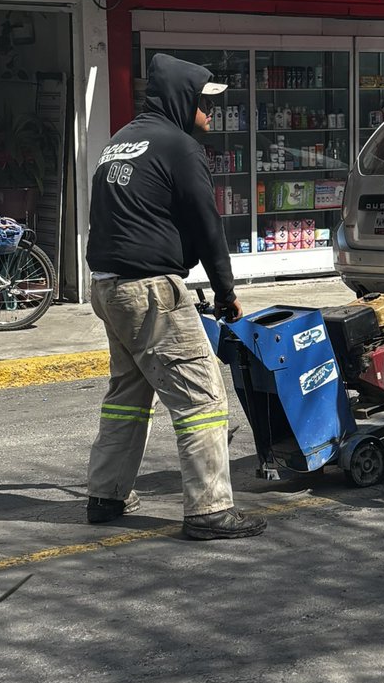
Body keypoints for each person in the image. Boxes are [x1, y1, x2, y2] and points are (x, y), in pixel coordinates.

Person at [85, 53, 266, 540]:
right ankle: (209, 511)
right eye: (204, 103)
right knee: (202, 396)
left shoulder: (120, 142)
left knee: (128, 394)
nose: (210, 113)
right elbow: (207, 225)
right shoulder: (179, 147)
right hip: (149, 291)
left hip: (108, 286)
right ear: (182, 99)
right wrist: (226, 293)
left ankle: (106, 494)